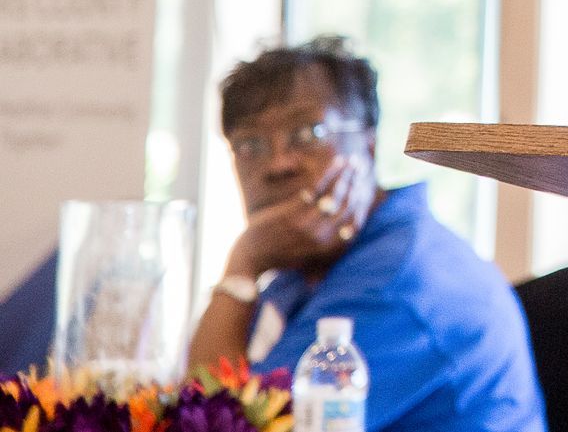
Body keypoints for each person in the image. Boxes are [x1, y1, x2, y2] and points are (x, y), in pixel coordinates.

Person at [187, 37, 545, 432]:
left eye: (308, 133)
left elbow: (213, 424)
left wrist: (243, 261)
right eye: (250, 144)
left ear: (369, 144)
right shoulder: (312, 261)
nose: (277, 165)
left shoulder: (398, 282)